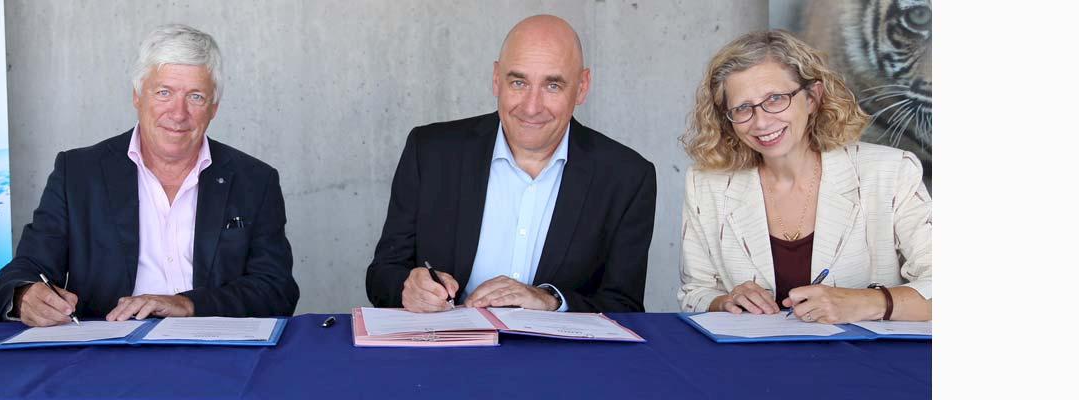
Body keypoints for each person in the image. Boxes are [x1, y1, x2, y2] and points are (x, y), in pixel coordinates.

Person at [0, 24, 298, 327]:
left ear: (213, 107)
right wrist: (24, 295)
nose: (178, 114)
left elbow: (276, 289)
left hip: (216, 351)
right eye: (164, 92)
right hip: (108, 353)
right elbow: (24, 270)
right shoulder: (78, 174)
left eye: (195, 97)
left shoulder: (255, 180)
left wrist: (188, 303)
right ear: (137, 96)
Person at [364, 15, 657, 314]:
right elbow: (382, 274)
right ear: (496, 79)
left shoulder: (628, 177)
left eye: (552, 86)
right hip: (447, 354)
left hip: (560, 360)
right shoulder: (429, 152)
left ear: (582, 87)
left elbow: (625, 307)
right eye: (518, 82)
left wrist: (552, 301)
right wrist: (407, 288)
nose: (531, 107)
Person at [677, 30, 931, 323]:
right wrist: (724, 302)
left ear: (812, 98)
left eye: (775, 98)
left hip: (866, 363)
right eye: (743, 108)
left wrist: (865, 302)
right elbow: (695, 292)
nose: (761, 121)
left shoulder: (892, 171)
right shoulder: (706, 183)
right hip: (751, 364)